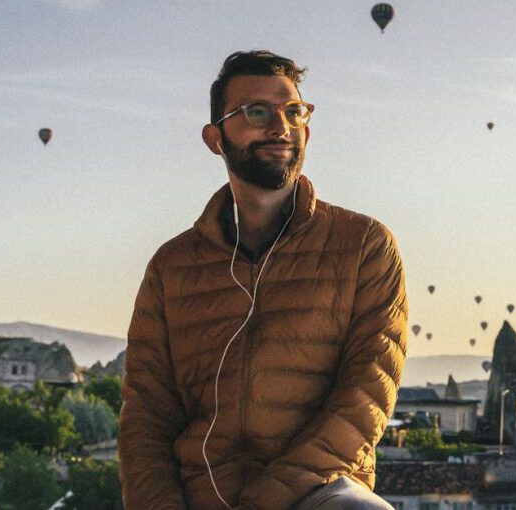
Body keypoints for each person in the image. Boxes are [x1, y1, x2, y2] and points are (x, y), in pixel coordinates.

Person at [118, 50, 408, 510]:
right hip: (199, 492)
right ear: (215, 138)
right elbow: (146, 415)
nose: (281, 127)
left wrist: (270, 498)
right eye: (257, 112)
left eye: (294, 112)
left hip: (318, 490)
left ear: (307, 129)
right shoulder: (171, 267)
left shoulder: (364, 245)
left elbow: (367, 392)